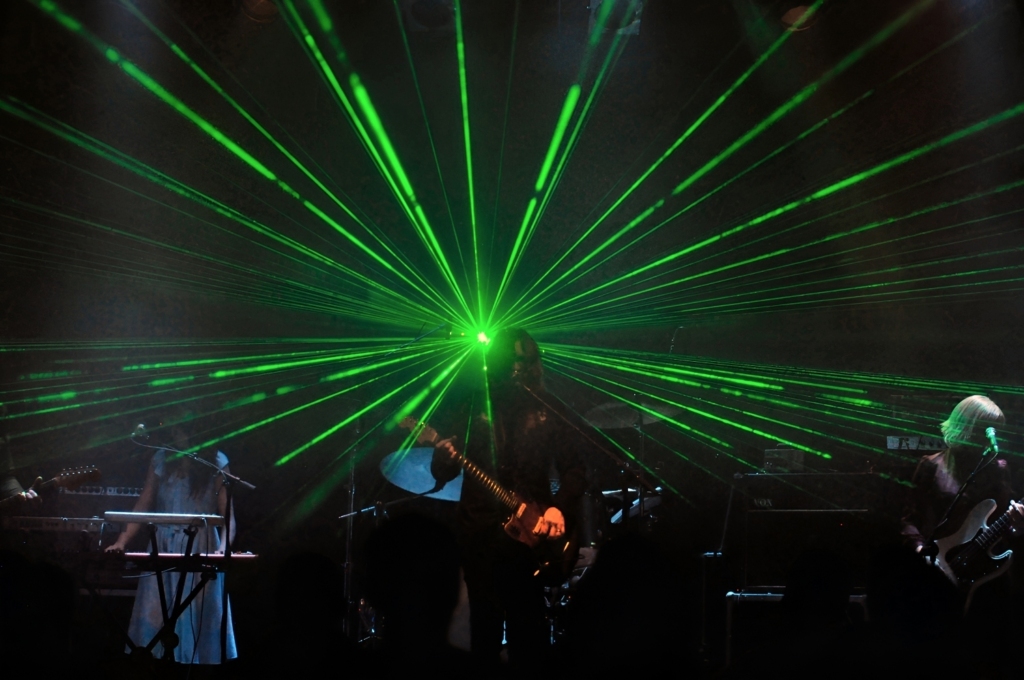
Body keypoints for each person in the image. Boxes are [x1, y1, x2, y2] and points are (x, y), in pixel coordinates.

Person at [430, 328, 588, 669]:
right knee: (483, 633)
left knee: (528, 634)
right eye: (514, 362)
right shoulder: (470, 405)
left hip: (532, 538)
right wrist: (442, 458)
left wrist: (559, 509)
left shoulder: (549, 408)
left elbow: (575, 469)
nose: (522, 369)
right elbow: (442, 473)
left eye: (527, 361)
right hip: (481, 534)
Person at [105, 414, 237, 664]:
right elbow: (143, 505)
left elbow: (228, 515)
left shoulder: (216, 461)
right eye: (176, 431)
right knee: (157, 621)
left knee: (197, 617)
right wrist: (122, 541)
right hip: (163, 544)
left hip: (201, 545)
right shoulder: (162, 458)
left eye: (183, 431)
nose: (178, 436)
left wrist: (222, 549)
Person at [901, 395, 1023, 554]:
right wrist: (919, 548)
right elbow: (910, 519)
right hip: (936, 559)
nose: (989, 436)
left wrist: (1017, 524)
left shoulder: (998, 470)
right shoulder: (931, 465)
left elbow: (1002, 526)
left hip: (980, 563)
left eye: (995, 429)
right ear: (966, 426)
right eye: (984, 428)